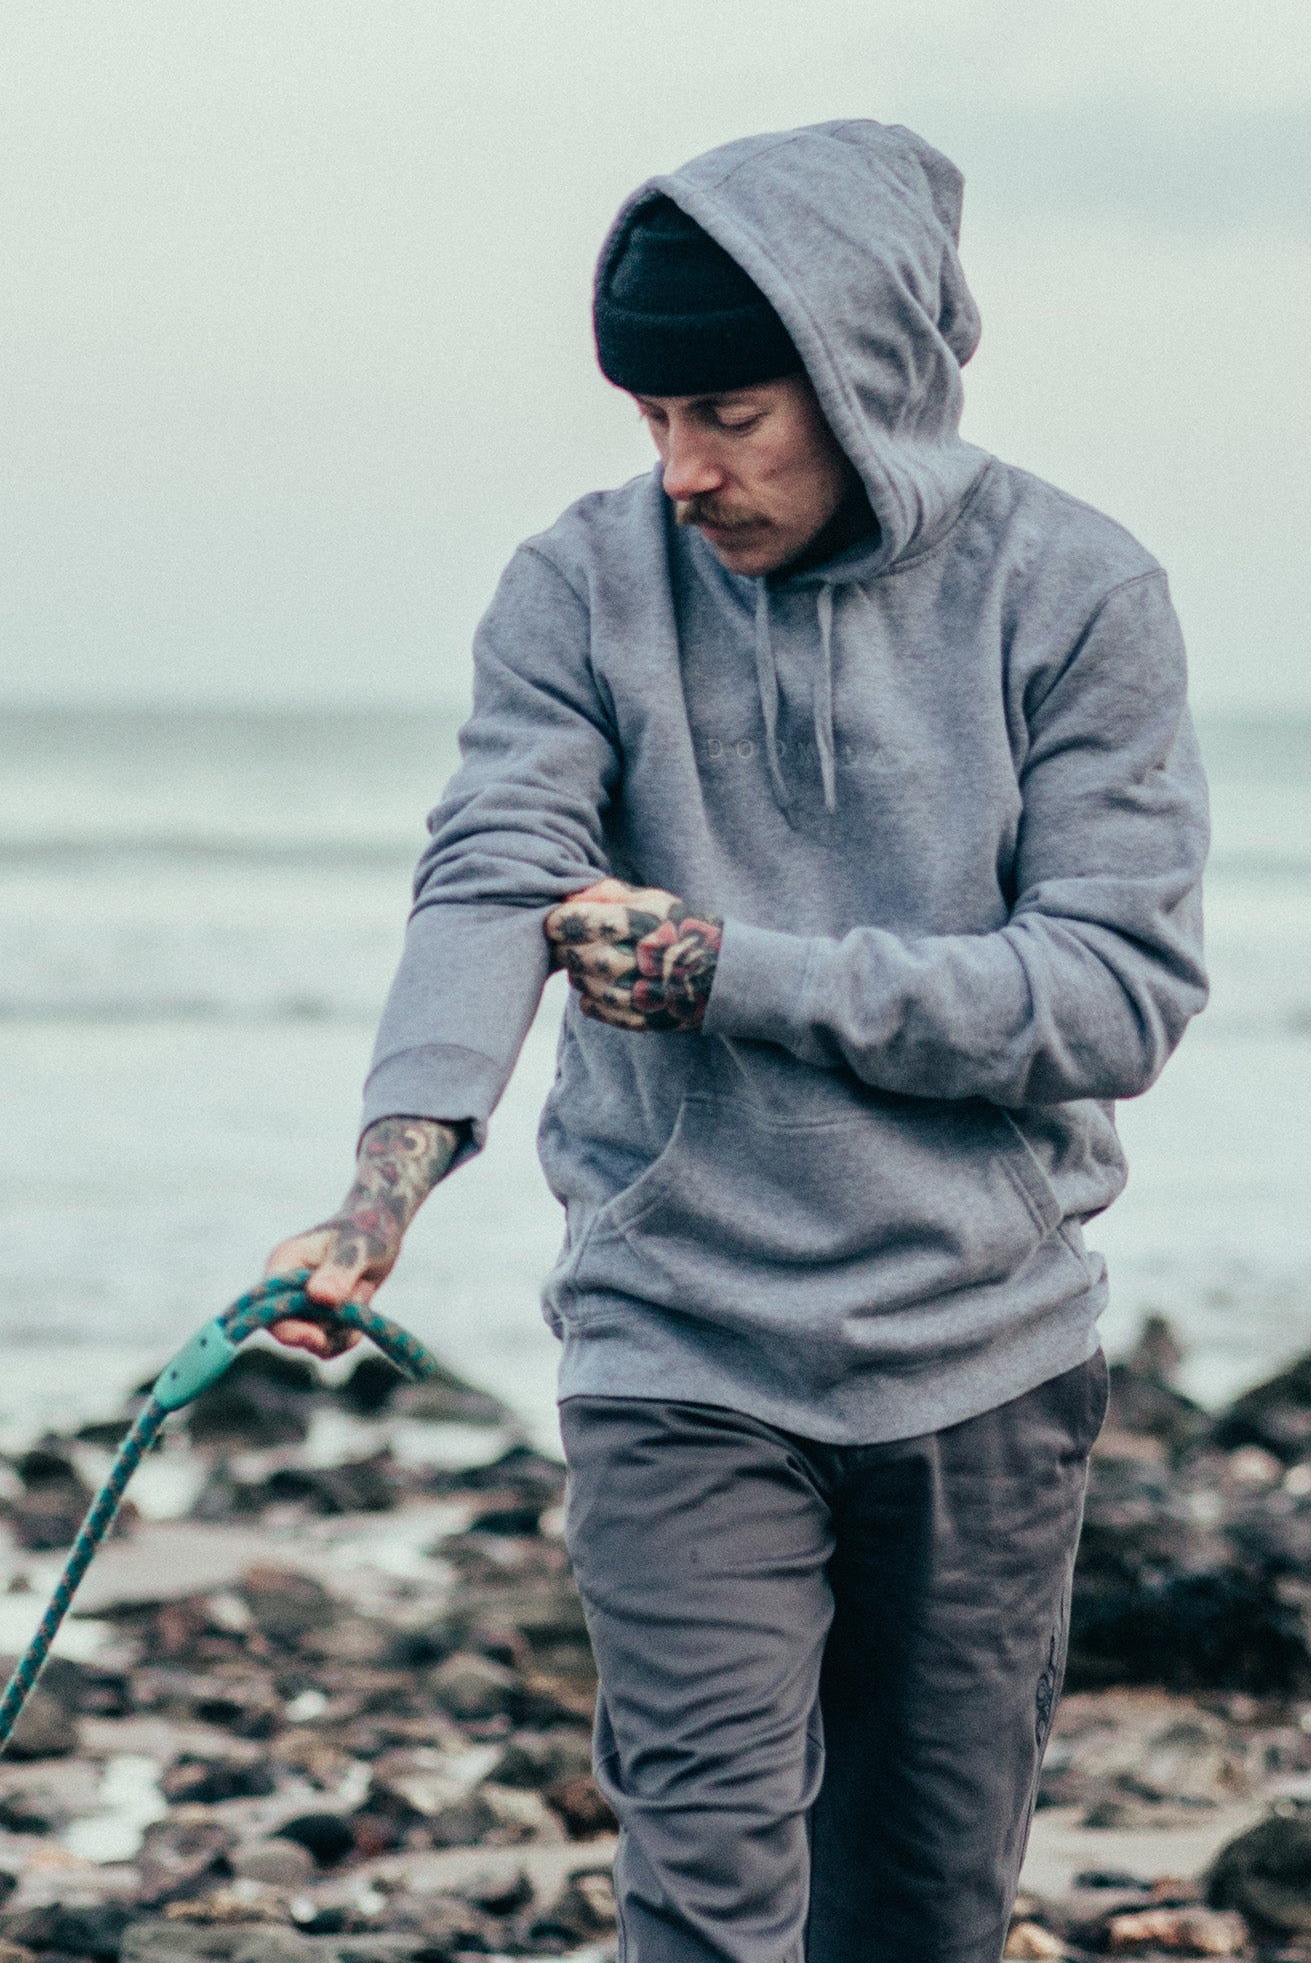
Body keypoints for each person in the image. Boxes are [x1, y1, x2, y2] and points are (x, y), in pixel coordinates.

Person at [266, 120, 1210, 1963]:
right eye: (651, 420)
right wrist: (381, 1200)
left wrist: (733, 972)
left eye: (730, 414)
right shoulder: (580, 585)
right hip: (677, 1342)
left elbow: (1114, 993)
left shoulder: (1077, 593)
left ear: (864, 379)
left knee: (916, 1918)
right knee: (702, 1903)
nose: (685, 471)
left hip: (982, 1354)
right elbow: (492, 876)